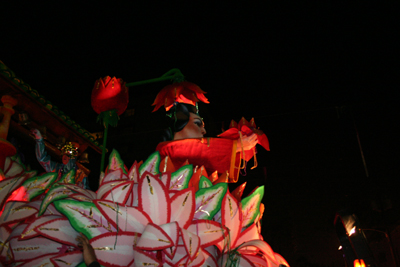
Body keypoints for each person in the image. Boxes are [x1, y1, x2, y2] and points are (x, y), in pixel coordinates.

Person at [155, 102, 259, 182]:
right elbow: (199, 149)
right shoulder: (166, 149)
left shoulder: (193, 158)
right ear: (177, 125)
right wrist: (236, 146)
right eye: (197, 123)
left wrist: (237, 147)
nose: (204, 131)